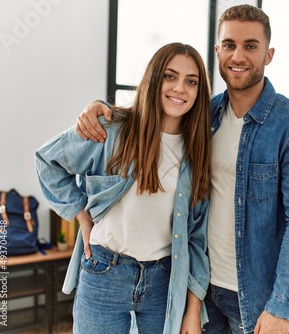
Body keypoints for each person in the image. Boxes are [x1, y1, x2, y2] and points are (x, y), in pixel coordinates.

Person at [75, 4, 289, 334]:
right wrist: (103, 111)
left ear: (269, 54)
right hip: (199, 291)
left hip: (253, 299)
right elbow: (153, 114)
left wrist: (282, 304)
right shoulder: (202, 116)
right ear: (217, 51)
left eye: (250, 46)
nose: (238, 56)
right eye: (229, 45)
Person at [35, 42, 212, 334]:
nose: (180, 88)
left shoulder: (198, 151)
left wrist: (193, 307)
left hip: (164, 282)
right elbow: (47, 161)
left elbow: (197, 237)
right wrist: (81, 214)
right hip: (105, 273)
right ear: (154, 79)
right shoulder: (112, 129)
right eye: (170, 76)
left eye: (191, 81)